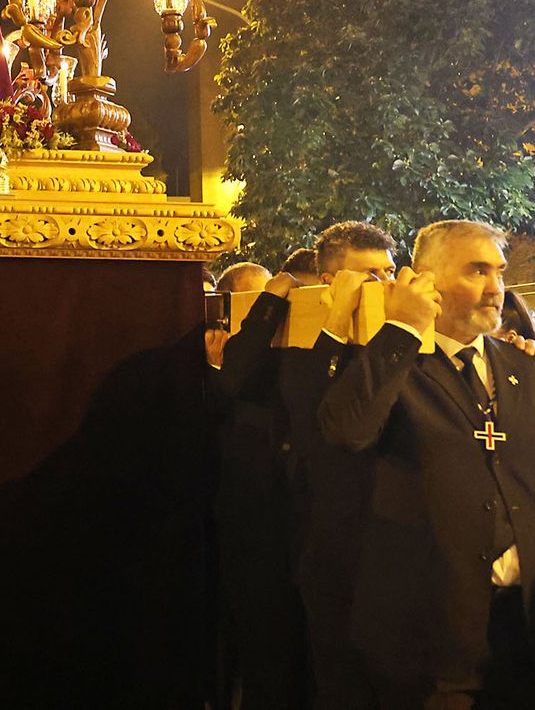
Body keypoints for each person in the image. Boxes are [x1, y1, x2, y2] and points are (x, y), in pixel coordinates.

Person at [318, 220, 535, 702]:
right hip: (420, 640)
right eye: (476, 271)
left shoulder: (532, 370)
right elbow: (345, 432)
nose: (496, 288)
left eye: (499, 271)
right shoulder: (390, 364)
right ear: (426, 280)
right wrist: (403, 328)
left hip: (522, 634)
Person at [219, 222, 400, 708]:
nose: (385, 283)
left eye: (390, 271)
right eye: (371, 274)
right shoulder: (298, 345)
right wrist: (276, 301)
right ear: (329, 281)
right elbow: (249, 382)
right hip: (303, 526)